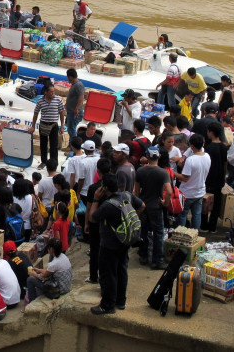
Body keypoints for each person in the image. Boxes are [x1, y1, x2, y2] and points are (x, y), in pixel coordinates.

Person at [90, 174, 145, 314]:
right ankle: (121, 301)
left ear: (105, 188)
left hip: (109, 244)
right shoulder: (127, 195)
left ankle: (107, 305)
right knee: (122, 270)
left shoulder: (108, 205)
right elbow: (142, 206)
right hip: (125, 241)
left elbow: (93, 217)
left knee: (109, 274)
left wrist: (96, 199)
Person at [133, 147, 171, 269]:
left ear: (147, 157)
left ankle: (143, 255)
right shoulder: (163, 172)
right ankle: (157, 260)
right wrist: (165, 203)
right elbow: (169, 191)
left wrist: (138, 203)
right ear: (159, 156)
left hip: (143, 205)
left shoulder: (140, 171)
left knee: (143, 231)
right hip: (156, 206)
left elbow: (136, 191)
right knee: (158, 233)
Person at [174, 134, 211, 231]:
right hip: (199, 191)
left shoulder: (191, 160)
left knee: (182, 215)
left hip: (187, 193)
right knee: (197, 214)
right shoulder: (207, 156)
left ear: (192, 146)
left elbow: (185, 178)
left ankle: (180, 234)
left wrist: (172, 172)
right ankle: (195, 234)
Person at [30, 83, 65, 170]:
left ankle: (54, 163)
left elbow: (62, 113)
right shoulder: (40, 101)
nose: (53, 93)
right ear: (46, 92)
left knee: (54, 145)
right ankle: (44, 162)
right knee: (43, 145)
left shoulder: (58, 100)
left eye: (54, 91)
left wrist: (62, 126)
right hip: (43, 125)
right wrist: (33, 126)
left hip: (53, 125)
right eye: (51, 92)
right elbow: (36, 113)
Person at [26, 237, 72, 303]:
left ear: (52, 249)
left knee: (30, 279)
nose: (47, 249)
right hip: (66, 286)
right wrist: (39, 270)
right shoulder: (64, 256)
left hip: (58, 290)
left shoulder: (54, 263)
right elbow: (49, 272)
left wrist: (34, 274)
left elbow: (42, 277)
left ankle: (32, 302)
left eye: (48, 248)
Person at [202, 123, 228, 232]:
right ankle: (213, 226)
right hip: (219, 179)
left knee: (205, 202)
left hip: (208, 179)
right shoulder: (223, 146)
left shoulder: (208, 148)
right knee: (216, 203)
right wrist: (224, 176)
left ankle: (204, 225)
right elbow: (225, 163)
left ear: (211, 133)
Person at [65, 69, 85, 146]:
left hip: (75, 112)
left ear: (70, 77)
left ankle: (74, 147)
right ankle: (71, 146)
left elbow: (81, 97)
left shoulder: (78, 85)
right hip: (71, 111)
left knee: (72, 129)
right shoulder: (74, 85)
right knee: (70, 129)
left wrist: (76, 109)